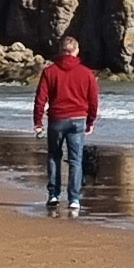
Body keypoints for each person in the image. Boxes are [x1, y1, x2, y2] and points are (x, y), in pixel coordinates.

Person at [30, 38, 99, 217]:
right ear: (76, 51)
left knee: (54, 156)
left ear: (61, 51)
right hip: (78, 118)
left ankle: (53, 195)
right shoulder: (86, 73)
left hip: (57, 119)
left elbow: (40, 99)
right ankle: (74, 199)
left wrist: (38, 122)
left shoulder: (50, 72)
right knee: (75, 160)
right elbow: (93, 101)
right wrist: (90, 121)